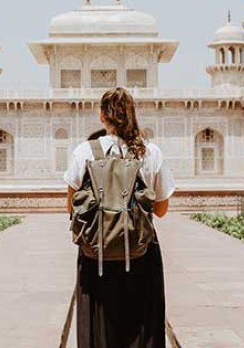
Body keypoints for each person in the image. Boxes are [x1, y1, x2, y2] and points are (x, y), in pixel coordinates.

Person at [63, 87, 175, 348]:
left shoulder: (84, 152)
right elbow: (160, 210)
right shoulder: (150, 152)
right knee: (142, 323)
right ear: (132, 115)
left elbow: (71, 206)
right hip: (141, 252)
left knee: (98, 325)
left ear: (102, 116)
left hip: (96, 254)